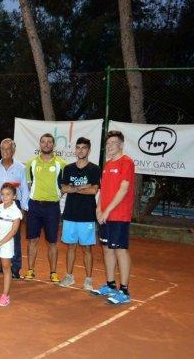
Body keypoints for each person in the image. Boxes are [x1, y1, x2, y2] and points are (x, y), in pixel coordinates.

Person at [92, 130, 135, 305]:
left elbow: (123, 189)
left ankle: (124, 290)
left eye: (113, 143)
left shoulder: (127, 162)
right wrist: (98, 208)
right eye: (108, 144)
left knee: (120, 250)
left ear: (121, 145)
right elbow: (102, 190)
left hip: (119, 215)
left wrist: (107, 211)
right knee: (107, 249)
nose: (109, 147)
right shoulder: (107, 164)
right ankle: (110, 285)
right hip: (105, 215)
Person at [24, 133, 66, 282]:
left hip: (52, 208)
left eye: (49, 142)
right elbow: (29, 184)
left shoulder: (61, 164)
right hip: (34, 206)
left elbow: (63, 186)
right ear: (40, 144)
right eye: (43, 142)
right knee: (32, 240)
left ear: (53, 145)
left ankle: (53, 272)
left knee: (52, 242)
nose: (46, 144)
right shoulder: (30, 163)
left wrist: (54, 197)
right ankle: (30, 270)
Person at [59, 137, 100, 290]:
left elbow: (93, 190)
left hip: (87, 215)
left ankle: (88, 279)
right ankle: (69, 276)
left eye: (84, 148)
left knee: (87, 248)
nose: (81, 150)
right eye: (78, 147)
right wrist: (83, 186)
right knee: (70, 246)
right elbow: (64, 189)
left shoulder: (94, 169)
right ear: (75, 150)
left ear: (89, 150)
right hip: (70, 213)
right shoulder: (68, 168)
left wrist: (74, 187)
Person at [0, 138, 29, 279]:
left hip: (14, 205)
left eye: (8, 149)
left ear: (13, 151)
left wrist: (23, 208)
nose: (5, 152)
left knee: (14, 237)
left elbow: (24, 188)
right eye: (3, 149)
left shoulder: (21, 167)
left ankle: (15, 268)